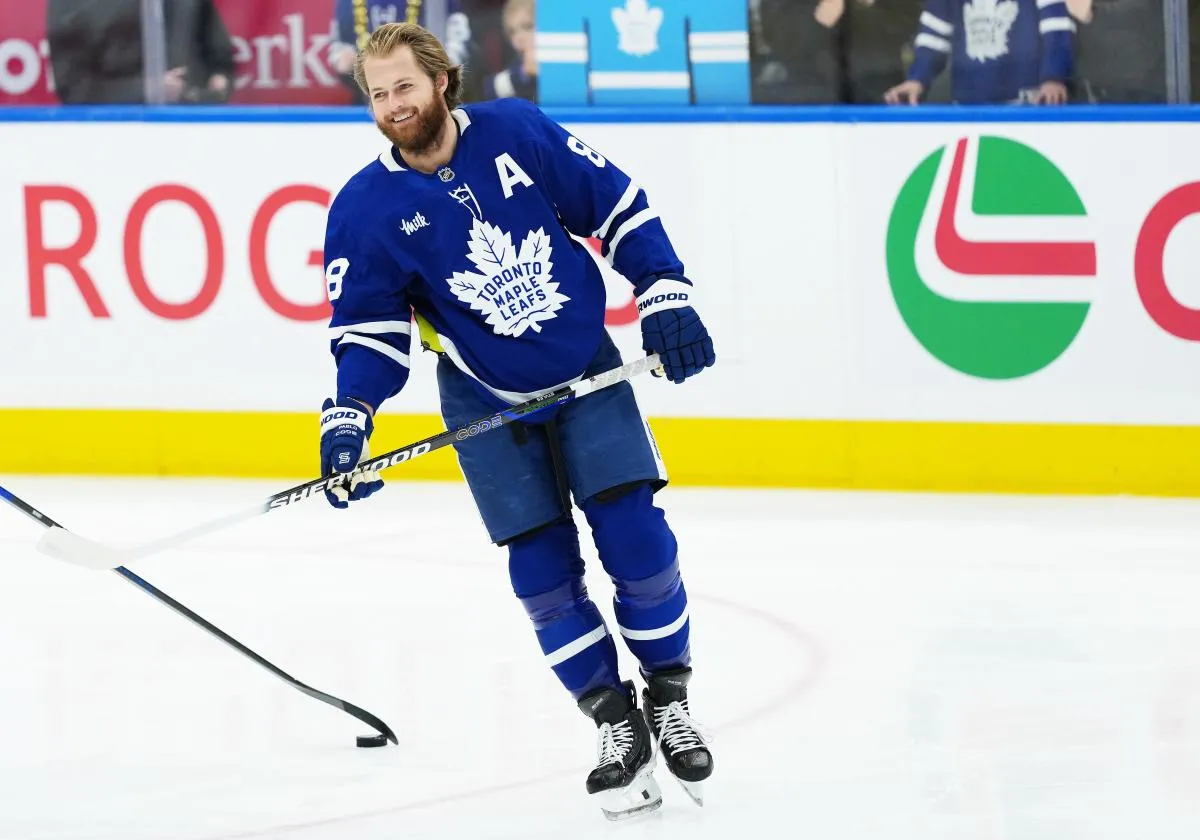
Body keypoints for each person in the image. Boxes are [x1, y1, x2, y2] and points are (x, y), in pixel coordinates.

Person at [317, 21, 716, 821]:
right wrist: (351, 414)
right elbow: (368, 330)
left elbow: (617, 206)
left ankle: (668, 697)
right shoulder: (363, 209)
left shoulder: (516, 131)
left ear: (440, 81)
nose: (393, 104)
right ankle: (615, 724)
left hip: (585, 366)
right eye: (378, 92)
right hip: (484, 396)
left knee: (635, 537)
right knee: (540, 572)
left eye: (404, 85)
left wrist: (664, 288)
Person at [883, 0, 1074, 105]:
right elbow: (934, 35)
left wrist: (1053, 78)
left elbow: (1057, 28)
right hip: (968, 106)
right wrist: (917, 79)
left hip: (1027, 106)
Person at [47, 0, 233, 105]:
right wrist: (148, 89)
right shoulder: (74, 6)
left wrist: (218, 81)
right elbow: (74, 90)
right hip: (114, 138)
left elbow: (220, 57)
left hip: (193, 129)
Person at [483, 0, 538, 101]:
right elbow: (490, 88)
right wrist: (523, 74)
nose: (519, 38)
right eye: (512, 32)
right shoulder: (518, 66)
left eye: (528, 26)